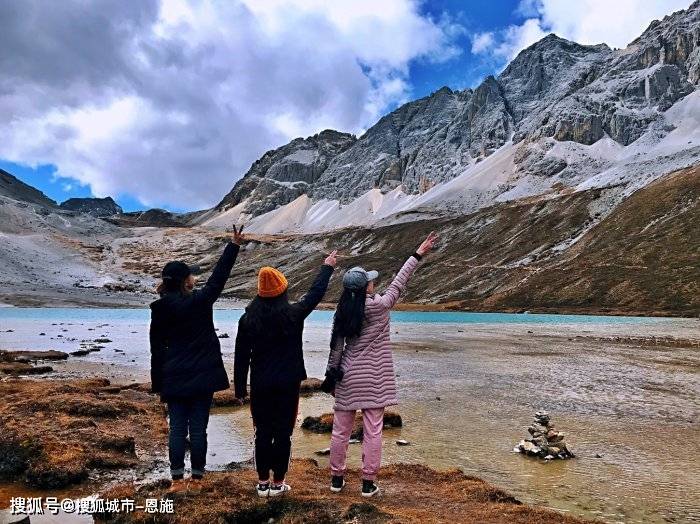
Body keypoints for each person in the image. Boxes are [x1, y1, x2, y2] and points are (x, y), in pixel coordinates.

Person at [324, 232, 438, 497]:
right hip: (375, 380)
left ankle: (337, 479)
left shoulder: (341, 312)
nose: (374, 284)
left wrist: (332, 376)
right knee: (373, 431)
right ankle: (367, 483)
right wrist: (417, 253)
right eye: (370, 282)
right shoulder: (381, 306)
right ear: (366, 287)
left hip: (348, 378)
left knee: (340, 431)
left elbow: (336, 348)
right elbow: (400, 281)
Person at [150, 225, 246, 494]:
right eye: (190, 275)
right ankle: (199, 478)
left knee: (177, 429)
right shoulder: (200, 301)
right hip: (202, 377)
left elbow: (155, 349)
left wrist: (159, 385)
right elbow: (218, 279)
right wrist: (233, 246)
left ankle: (177, 480)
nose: (193, 278)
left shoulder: (159, 309)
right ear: (184, 281)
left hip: (174, 377)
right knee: (199, 429)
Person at [234, 250, 338, 498]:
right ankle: (278, 482)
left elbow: (240, 358)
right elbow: (315, 294)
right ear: (282, 291)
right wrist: (327, 267)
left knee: (262, 432)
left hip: (260, 383)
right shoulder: (293, 314)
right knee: (283, 432)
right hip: (288, 383)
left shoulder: (247, 319)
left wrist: (240, 390)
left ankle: (262, 483)